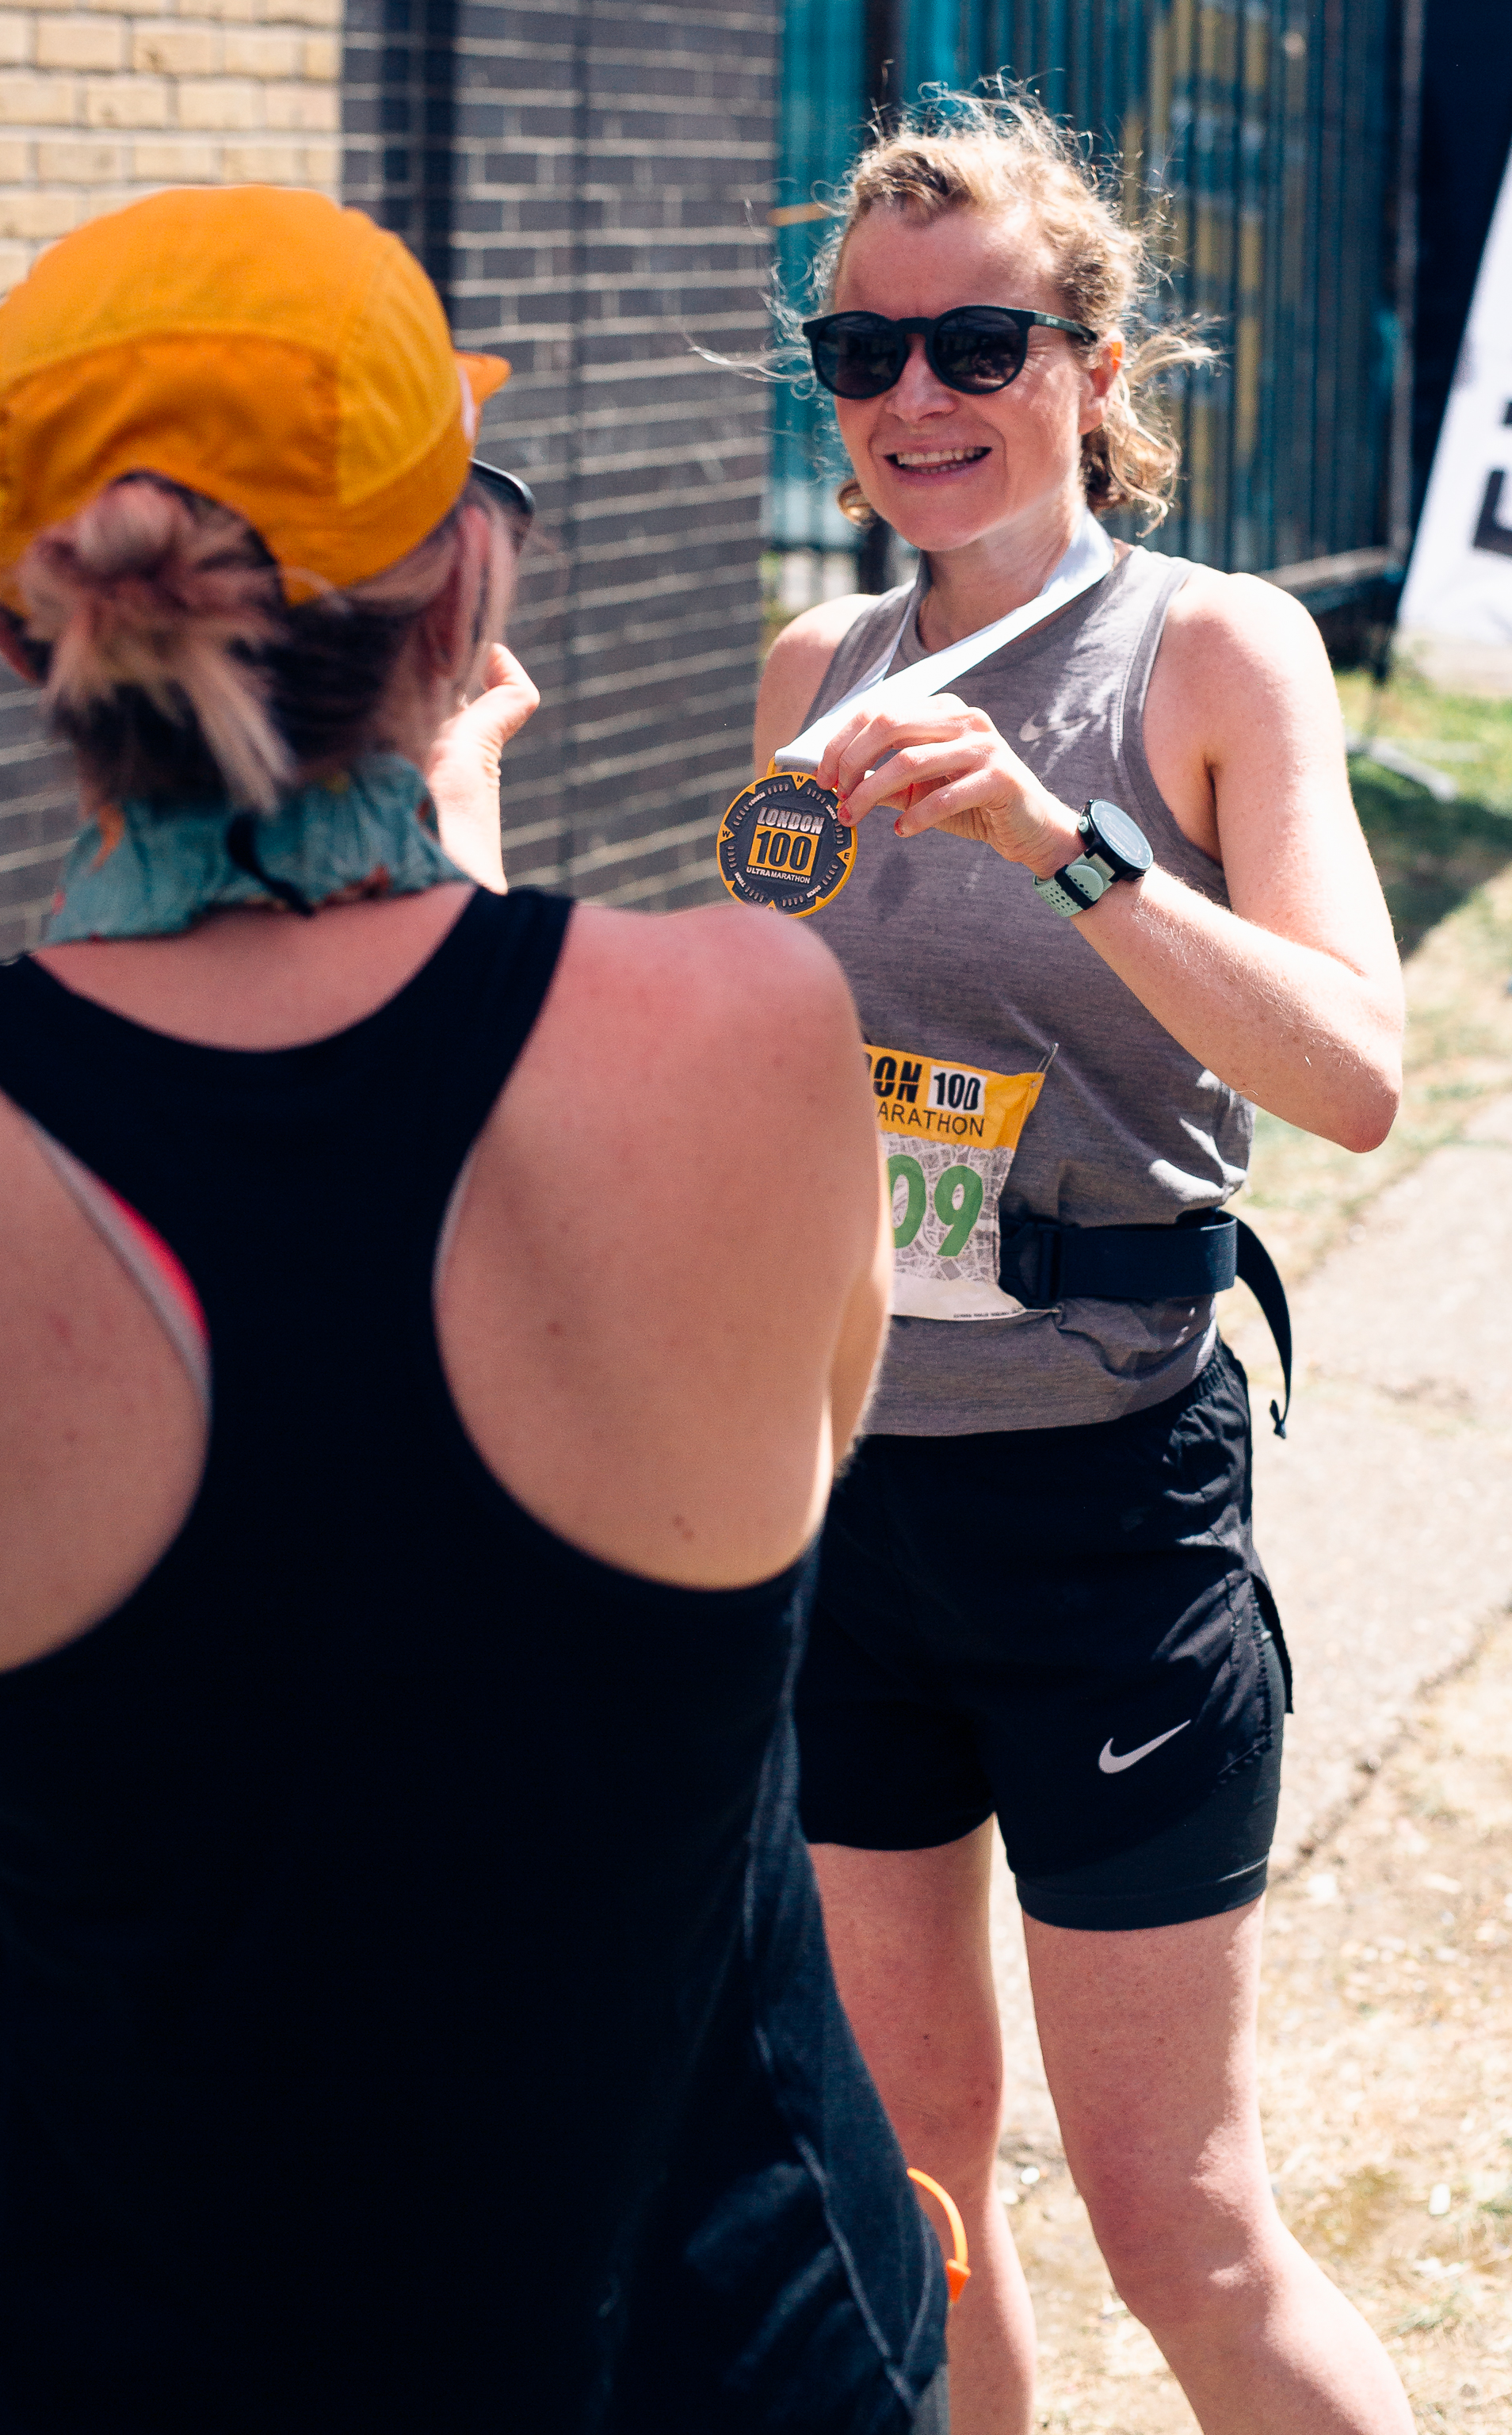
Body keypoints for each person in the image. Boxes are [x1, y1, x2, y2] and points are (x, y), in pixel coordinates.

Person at [0, 185, 951, 2433]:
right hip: (724, 2343)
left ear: (6, 609)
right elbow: (756, 1450)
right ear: (469, 587)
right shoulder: (744, 1035)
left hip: (121, 2370)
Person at [753, 95, 1412, 2435]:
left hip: (1105, 1501)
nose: (915, 398)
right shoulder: (813, 661)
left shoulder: (1213, 649)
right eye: (861, 351)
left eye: (979, 344)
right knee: (909, 2188)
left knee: (1182, 2225)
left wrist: (1068, 844)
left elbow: (1356, 1077)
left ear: (1094, 366)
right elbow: (775, 1036)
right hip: (844, 1501)